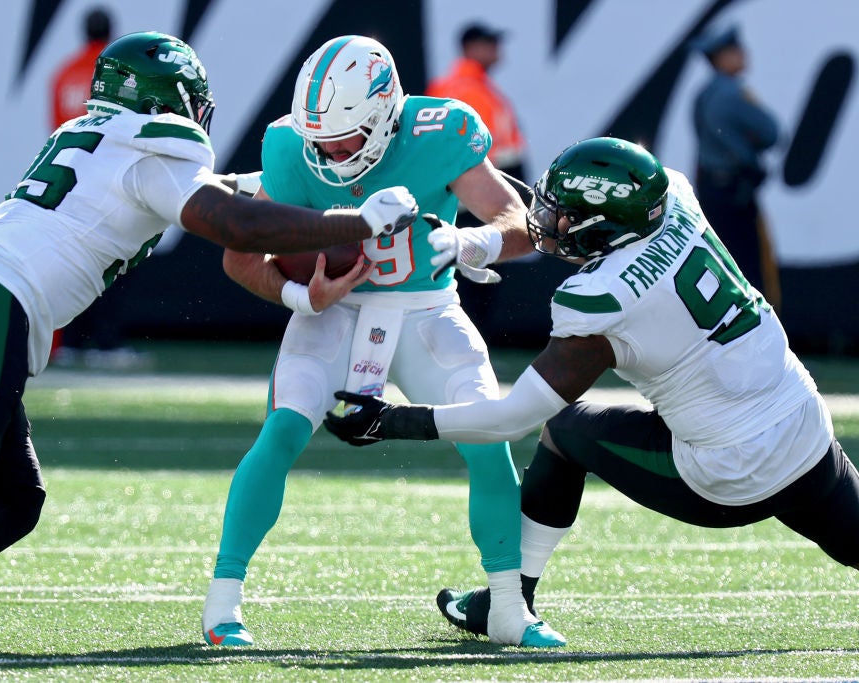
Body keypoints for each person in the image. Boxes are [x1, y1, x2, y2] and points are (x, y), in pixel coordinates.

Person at [0, 31, 418, 652]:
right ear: (173, 100)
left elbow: (203, 191)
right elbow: (234, 225)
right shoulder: (161, 148)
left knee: (15, 495)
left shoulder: (94, 137)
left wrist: (281, 211)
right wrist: (357, 219)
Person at [325, 137, 859, 644]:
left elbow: (514, 417)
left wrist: (391, 419)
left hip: (727, 471)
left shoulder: (600, 298)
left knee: (565, 430)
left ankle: (510, 597)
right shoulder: (673, 196)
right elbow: (592, 224)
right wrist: (477, 243)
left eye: (565, 214)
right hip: (806, 430)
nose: (552, 222)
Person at [203, 34, 565, 649]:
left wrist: (473, 243)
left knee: (489, 439)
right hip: (333, 315)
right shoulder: (292, 146)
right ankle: (221, 607)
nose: (329, 150)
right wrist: (299, 296)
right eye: (318, 135)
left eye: (343, 136)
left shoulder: (441, 134)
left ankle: (509, 608)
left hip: (427, 309)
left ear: (383, 117)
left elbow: (519, 221)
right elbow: (242, 259)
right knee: (284, 429)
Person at [48, 7, 141, 368]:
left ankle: (72, 341)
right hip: (111, 180)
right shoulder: (119, 74)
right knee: (115, 258)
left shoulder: (63, 73)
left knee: (73, 258)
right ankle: (106, 342)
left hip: (69, 180)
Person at [691, 24, 780, 307]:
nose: (744, 55)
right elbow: (773, 133)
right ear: (722, 57)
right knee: (751, 269)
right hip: (737, 195)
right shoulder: (735, 94)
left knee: (718, 266)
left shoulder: (702, 95)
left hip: (710, 193)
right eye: (736, 51)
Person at [427, 22, 528, 184]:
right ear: (470, 48)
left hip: (490, 183)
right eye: (489, 42)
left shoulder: (478, 85)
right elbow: (472, 148)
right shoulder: (465, 89)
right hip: (483, 188)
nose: (496, 47)